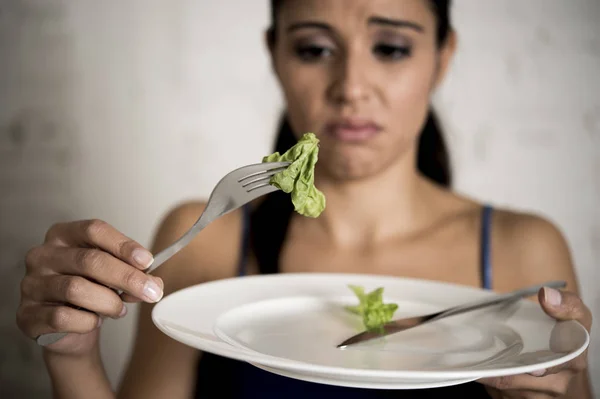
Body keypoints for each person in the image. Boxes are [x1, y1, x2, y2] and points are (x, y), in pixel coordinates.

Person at [16, 0, 593, 398]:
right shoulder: (206, 238)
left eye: (390, 48)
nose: (351, 87)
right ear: (274, 55)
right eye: (315, 49)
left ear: (442, 56)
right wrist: (71, 353)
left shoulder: (522, 249)